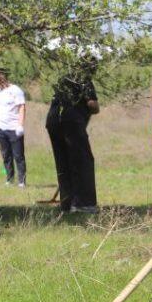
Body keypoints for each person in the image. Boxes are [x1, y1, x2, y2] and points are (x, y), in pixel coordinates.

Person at [46, 63, 100, 213]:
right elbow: (92, 104)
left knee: (63, 162)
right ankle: (84, 204)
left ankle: (67, 204)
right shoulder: (83, 79)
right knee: (82, 161)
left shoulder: (63, 80)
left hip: (53, 121)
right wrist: (95, 108)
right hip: (71, 122)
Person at [0, 69, 27, 187]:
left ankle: (21, 182)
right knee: (6, 156)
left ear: (2, 79)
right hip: (1, 130)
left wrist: (20, 125)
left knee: (18, 156)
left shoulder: (15, 90)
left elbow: (22, 108)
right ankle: (9, 179)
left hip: (14, 129)